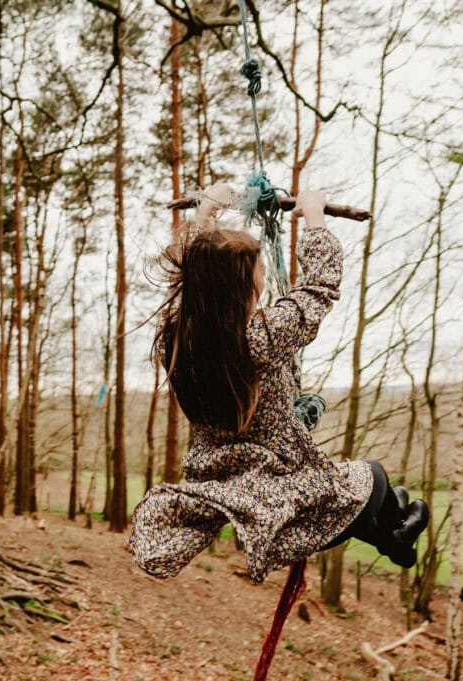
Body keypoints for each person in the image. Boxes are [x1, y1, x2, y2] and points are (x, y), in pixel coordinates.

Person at [129, 188, 429, 584]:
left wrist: (206, 211)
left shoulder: (176, 335)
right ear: (242, 285)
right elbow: (320, 287)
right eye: (257, 270)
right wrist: (314, 218)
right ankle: (392, 533)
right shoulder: (259, 338)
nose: (262, 276)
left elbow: (188, 269)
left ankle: (390, 528)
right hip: (274, 470)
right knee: (372, 477)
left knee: (376, 491)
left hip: (217, 469)